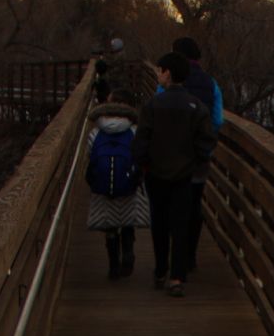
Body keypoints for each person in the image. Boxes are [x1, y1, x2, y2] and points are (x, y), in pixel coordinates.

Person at [135, 50, 216, 293]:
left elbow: (141, 140)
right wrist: (195, 162)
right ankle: (177, 277)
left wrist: (142, 164)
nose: (158, 75)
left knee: (159, 223)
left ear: (167, 73)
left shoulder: (152, 105)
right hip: (184, 176)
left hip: (156, 174)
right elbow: (206, 142)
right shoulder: (196, 107)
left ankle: (161, 270)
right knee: (180, 225)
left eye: (160, 71)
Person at [83, 87, 149, 278]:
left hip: (103, 187)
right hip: (128, 186)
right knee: (126, 219)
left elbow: (90, 157)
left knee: (109, 224)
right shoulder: (134, 131)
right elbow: (140, 157)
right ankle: (128, 251)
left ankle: (113, 264)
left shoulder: (95, 133)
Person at [174, 35, 223, 273]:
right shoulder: (210, 83)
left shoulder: (170, 82)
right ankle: (190, 255)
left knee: (172, 203)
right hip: (199, 155)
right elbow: (217, 119)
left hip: (171, 156)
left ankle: (175, 257)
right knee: (194, 203)